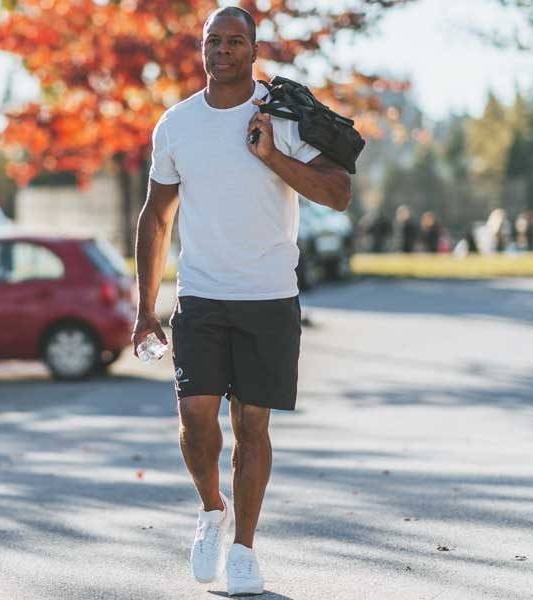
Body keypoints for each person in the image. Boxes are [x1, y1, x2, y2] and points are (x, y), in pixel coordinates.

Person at [131, 6, 351, 596]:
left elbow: (339, 193)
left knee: (252, 426)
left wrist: (274, 157)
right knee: (195, 420)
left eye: (235, 41)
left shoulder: (284, 116)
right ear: (201, 48)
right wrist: (144, 307)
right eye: (213, 41)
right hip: (201, 295)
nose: (222, 50)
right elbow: (157, 217)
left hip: (269, 296)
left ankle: (246, 550)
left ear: (253, 50)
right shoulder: (176, 125)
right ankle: (211, 510)